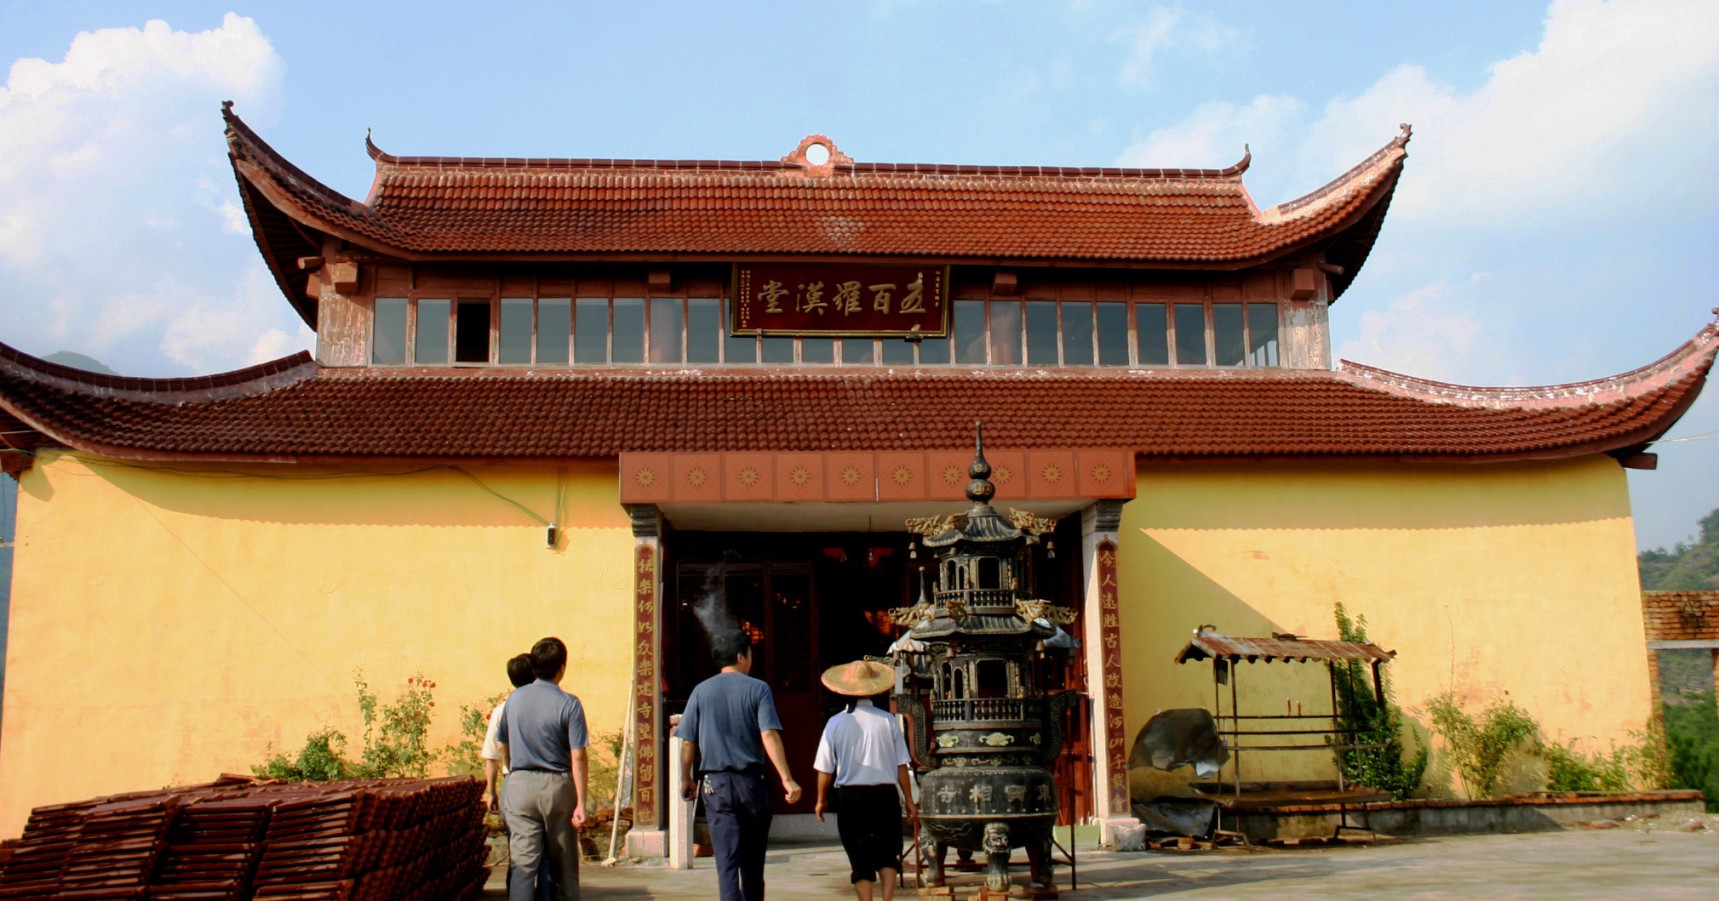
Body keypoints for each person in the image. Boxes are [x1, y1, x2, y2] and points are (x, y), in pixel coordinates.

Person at [676, 628, 803, 901]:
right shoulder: (758, 689)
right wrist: (786, 778)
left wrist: (685, 778)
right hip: (751, 784)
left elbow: (687, 742)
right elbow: (768, 734)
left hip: (715, 785)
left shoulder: (700, 691)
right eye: (750, 653)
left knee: (727, 865)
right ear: (740, 655)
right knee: (753, 865)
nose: (751, 659)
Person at [812, 660, 918, 901]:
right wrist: (910, 800)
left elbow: (825, 768)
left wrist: (820, 800)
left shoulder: (835, 723)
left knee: (859, 856)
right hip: (885, 794)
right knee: (888, 852)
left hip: (851, 797)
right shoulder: (888, 721)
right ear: (875, 689)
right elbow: (902, 764)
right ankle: (887, 899)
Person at [497, 637, 590, 901]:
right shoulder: (569, 703)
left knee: (523, 866)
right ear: (562, 667)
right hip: (557, 786)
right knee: (565, 865)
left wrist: (511, 770)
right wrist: (581, 802)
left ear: (534, 665)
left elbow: (502, 743)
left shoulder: (512, 701)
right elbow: (578, 756)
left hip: (520, 784)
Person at [483, 653, 554, 901]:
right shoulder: (549, 705)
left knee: (518, 850)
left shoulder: (502, 710)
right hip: (545, 781)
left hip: (513, 783)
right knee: (544, 850)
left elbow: (493, 754)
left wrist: (492, 791)